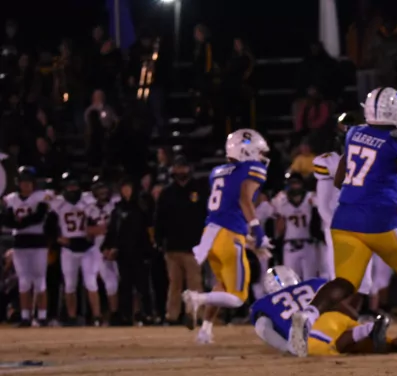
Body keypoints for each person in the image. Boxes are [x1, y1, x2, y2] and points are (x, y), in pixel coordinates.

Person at [292, 87, 397, 357]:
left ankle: (309, 313)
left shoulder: (354, 133)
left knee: (345, 282)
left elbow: (340, 179)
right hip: (380, 218)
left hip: (344, 218)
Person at [182, 129, 273, 344]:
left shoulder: (217, 172)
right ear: (246, 151)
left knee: (221, 285)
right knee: (238, 298)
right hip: (229, 236)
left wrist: (248, 240)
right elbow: (244, 200)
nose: (261, 157)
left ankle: (205, 331)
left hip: (211, 235)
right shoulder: (253, 169)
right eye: (259, 151)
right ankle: (196, 298)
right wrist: (258, 232)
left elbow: (227, 208)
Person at [251, 266, 397, 356]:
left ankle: (367, 330)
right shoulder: (313, 283)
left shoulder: (266, 303)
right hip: (335, 317)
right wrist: (356, 319)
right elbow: (336, 302)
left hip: (314, 329)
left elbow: (263, 328)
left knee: (336, 345)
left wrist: (286, 347)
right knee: (387, 344)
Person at [313, 111, 375, 297]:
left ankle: (353, 315)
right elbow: (323, 205)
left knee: (364, 283)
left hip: (363, 225)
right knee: (340, 278)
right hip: (337, 225)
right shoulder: (329, 161)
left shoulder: (373, 160)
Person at [154, 155, 207, 326]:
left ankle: (196, 315)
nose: (181, 170)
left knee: (195, 283)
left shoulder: (199, 190)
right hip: (172, 247)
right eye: (178, 167)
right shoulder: (167, 193)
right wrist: (158, 240)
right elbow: (159, 219)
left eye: (183, 167)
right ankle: (172, 316)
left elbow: (206, 217)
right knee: (174, 284)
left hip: (194, 247)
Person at [1, 166, 50, 326]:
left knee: (40, 280)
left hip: (38, 241)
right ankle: (25, 316)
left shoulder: (41, 196)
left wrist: (20, 223)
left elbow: (39, 217)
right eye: (23, 181)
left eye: (29, 181)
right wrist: (21, 223)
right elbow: (6, 219)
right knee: (24, 281)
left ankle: (42, 316)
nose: (26, 184)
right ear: (19, 182)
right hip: (20, 242)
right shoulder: (11, 199)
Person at [50, 172, 100, 325]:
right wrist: (58, 237)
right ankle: (72, 317)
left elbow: (98, 221)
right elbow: (49, 226)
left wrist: (92, 231)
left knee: (91, 282)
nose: (72, 188)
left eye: (74, 185)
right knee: (70, 284)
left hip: (87, 247)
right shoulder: (57, 203)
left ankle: (97, 316)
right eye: (69, 185)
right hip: (68, 248)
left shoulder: (88, 200)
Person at [103, 179, 154, 325]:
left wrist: (149, 249)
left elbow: (144, 230)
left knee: (142, 285)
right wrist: (107, 246)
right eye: (123, 188)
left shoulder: (141, 207)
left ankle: (146, 314)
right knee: (125, 285)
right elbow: (113, 230)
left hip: (139, 252)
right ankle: (125, 316)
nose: (126, 191)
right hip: (123, 253)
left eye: (128, 188)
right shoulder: (118, 209)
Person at [273, 172, 321, 281]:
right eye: (292, 183)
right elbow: (279, 225)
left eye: (297, 183)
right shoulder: (281, 199)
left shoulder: (310, 198)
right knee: (292, 281)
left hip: (308, 243)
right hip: (290, 245)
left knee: (311, 279)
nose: (295, 186)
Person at [85, 177, 119, 323]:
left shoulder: (115, 205)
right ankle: (112, 314)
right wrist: (101, 230)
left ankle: (122, 313)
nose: (102, 192)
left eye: (104, 188)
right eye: (99, 189)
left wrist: (104, 230)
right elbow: (88, 231)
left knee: (120, 280)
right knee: (109, 281)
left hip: (117, 243)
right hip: (99, 247)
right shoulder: (90, 209)